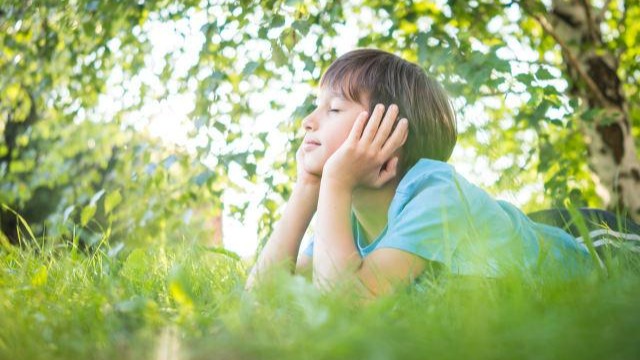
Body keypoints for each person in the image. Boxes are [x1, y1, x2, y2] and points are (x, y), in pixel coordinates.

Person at [245, 48, 640, 298]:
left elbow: (345, 303)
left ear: (388, 135)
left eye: (332, 109)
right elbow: (261, 300)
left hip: (591, 244)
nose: (307, 122)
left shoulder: (434, 192)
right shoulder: (345, 217)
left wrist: (332, 181)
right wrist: (306, 189)